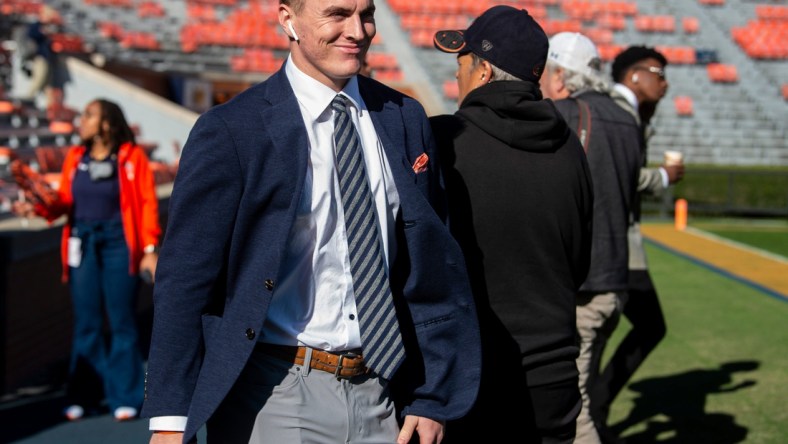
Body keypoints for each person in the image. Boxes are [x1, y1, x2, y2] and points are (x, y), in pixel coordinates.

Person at [141, 0, 480, 443]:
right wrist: (170, 419)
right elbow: (186, 276)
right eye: (336, 14)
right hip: (273, 390)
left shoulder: (404, 118)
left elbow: (431, 268)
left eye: (367, 14)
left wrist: (434, 394)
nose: (357, 31)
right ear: (288, 20)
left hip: (383, 389)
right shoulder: (231, 129)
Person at [430, 7, 594, 443]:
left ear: (483, 70)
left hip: (469, 377)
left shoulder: (442, 141)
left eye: (462, 64)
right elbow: (578, 264)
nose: (457, 77)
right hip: (554, 379)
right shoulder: (570, 149)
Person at [12, 98, 161, 421]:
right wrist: (37, 207)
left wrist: (149, 249)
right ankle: (83, 395)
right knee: (86, 323)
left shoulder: (131, 157)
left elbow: (148, 205)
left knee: (121, 321)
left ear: (106, 123)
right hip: (84, 242)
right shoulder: (75, 157)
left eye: (89, 115)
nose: (82, 120)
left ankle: (127, 396)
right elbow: (64, 203)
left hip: (118, 244)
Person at [540, 32, 643, 444]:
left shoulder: (563, 114)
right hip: (614, 279)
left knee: (572, 411)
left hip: (581, 284)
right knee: (581, 397)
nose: (543, 84)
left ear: (562, 77)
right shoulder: (626, 119)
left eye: (546, 75)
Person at [589, 45, 685, 440]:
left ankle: (595, 409)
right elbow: (622, 178)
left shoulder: (630, 113)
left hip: (612, 239)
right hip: (616, 242)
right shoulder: (618, 113)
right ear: (633, 76)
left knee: (605, 330)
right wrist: (662, 177)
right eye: (657, 73)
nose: (664, 82)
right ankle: (595, 408)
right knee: (637, 326)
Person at [20, 5, 58, 105]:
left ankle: (49, 104)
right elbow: (31, 36)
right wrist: (43, 33)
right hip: (39, 57)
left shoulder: (50, 27)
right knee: (40, 78)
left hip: (48, 57)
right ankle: (29, 98)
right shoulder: (36, 26)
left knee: (48, 82)